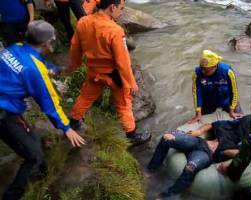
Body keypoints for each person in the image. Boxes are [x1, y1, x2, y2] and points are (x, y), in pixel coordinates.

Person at [0, 20, 85, 200]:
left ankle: (43, 175)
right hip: (4, 113)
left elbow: (39, 64)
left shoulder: (15, 48)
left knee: (34, 141)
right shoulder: (34, 70)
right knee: (34, 157)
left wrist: (57, 70)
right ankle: (11, 196)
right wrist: (66, 128)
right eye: (52, 40)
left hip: (5, 104)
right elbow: (50, 103)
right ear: (47, 43)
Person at [68, 0, 151, 146]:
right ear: (112, 7)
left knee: (86, 97)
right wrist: (131, 82)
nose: (121, 12)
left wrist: (75, 65)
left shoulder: (83, 22)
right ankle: (131, 135)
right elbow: (123, 61)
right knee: (124, 104)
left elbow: (75, 46)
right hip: (114, 75)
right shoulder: (115, 30)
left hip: (94, 72)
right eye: (121, 8)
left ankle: (74, 121)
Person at [147, 115, 251, 199]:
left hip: (205, 154)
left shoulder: (242, 147)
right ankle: (151, 169)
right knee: (167, 137)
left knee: (190, 167)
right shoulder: (229, 127)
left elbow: (236, 154)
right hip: (198, 142)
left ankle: (167, 195)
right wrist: (198, 131)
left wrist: (245, 148)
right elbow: (211, 125)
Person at [188, 50, 243, 124]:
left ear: (214, 67)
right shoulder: (197, 73)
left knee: (241, 121)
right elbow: (197, 93)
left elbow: (234, 91)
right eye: (201, 68)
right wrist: (198, 112)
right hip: (209, 101)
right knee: (199, 120)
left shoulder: (227, 71)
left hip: (226, 100)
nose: (202, 71)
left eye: (205, 69)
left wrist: (232, 110)